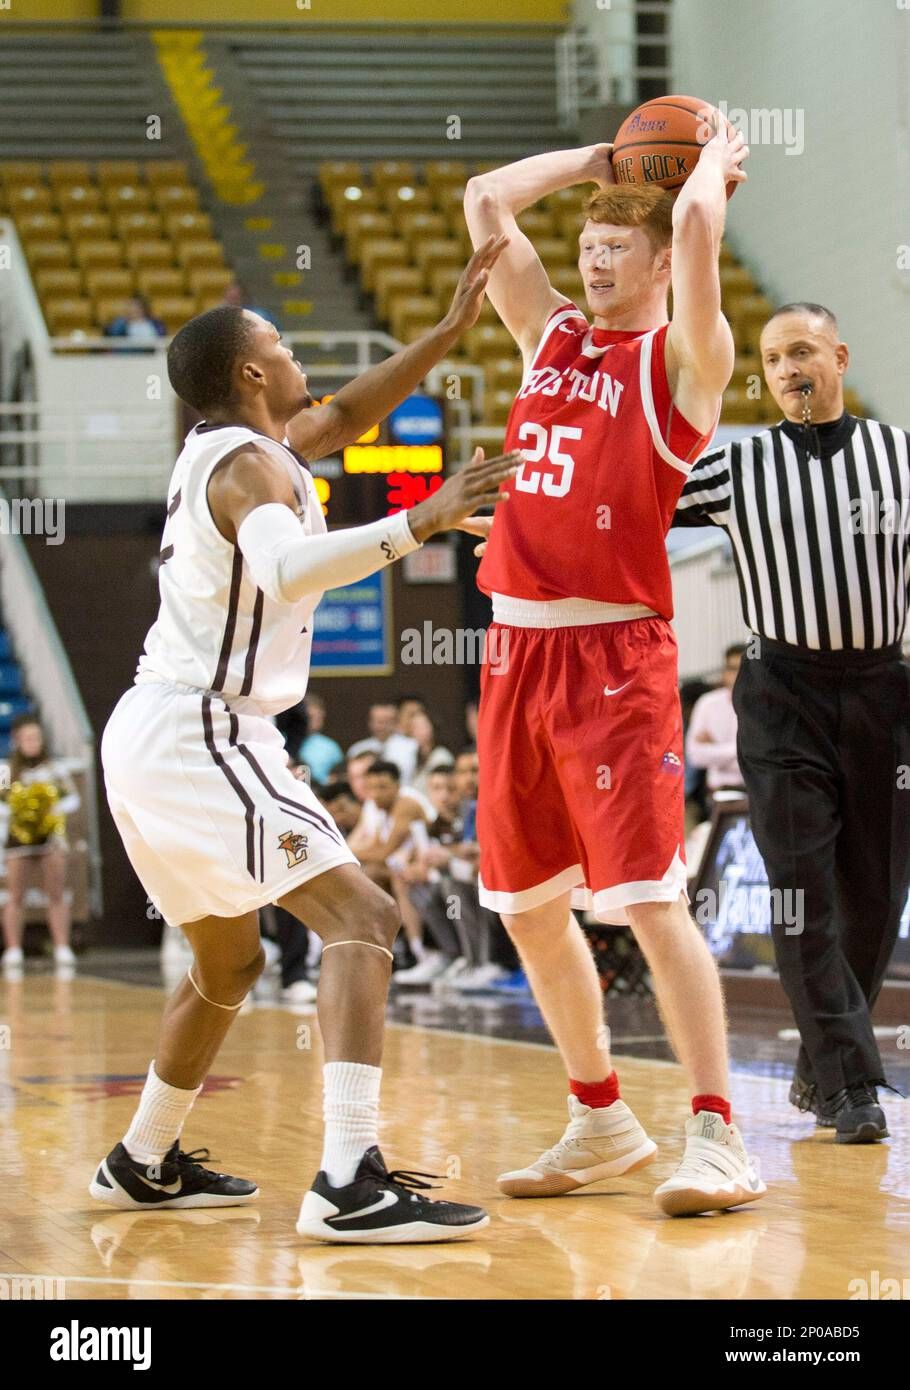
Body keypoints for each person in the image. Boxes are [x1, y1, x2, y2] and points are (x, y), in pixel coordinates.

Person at [93, 231, 524, 1242]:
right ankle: (347, 1179)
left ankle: (142, 1156)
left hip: (159, 730)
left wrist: (442, 334)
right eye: (282, 343)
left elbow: (344, 414)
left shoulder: (248, 449)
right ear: (251, 371)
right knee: (363, 918)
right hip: (206, 728)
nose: (299, 360)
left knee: (229, 965)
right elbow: (288, 574)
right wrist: (420, 522)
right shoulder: (250, 472)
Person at [465, 120, 766, 1214]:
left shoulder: (684, 362)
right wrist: (596, 163)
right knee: (528, 908)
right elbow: (486, 202)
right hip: (512, 651)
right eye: (586, 245)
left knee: (646, 900)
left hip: (611, 656)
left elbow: (692, 226)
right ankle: (600, 1117)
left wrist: (708, 167)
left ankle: (718, 1132)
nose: (592, 260)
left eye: (611, 249)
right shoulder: (549, 339)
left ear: (653, 271)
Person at [674, 301, 910, 1144]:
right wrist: (524, 526)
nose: (786, 371)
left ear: (839, 357)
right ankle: (852, 1087)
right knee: (802, 894)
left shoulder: (899, 456)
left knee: (875, 900)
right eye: (772, 361)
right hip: (782, 695)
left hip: (885, 692)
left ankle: (820, 1068)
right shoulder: (738, 465)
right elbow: (627, 506)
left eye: (801, 352)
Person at [0, 714, 80, 977]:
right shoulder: (6, 771)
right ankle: (13, 950)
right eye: (27, 738)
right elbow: (0, 803)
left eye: (36, 737)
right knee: (15, 896)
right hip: (18, 840)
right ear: (17, 740)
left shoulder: (54, 769)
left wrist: (49, 810)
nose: (32, 742)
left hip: (49, 838)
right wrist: (20, 812)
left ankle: (62, 947)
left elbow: (72, 800)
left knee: (56, 892)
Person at [685, 644, 746, 793]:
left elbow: (758, 758)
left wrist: (715, 746)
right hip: (718, 791)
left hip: (754, 790)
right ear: (725, 672)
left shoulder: (763, 705)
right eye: (732, 669)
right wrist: (739, 751)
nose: (737, 674)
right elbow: (695, 755)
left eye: (742, 669)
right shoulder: (708, 703)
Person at [347, 702, 419, 784]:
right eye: (378, 721)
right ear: (370, 722)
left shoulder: (411, 746)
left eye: (386, 721)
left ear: (395, 722)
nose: (381, 726)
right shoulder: (357, 749)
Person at [296, 692, 344, 784]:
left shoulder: (330, 746)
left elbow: (338, 777)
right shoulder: (282, 741)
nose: (316, 721)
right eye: (311, 717)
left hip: (321, 794)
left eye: (319, 717)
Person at [408, 711, 454, 797]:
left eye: (422, 726)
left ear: (432, 727)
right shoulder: (413, 755)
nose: (417, 731)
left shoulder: (441, 756)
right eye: (414, 727)